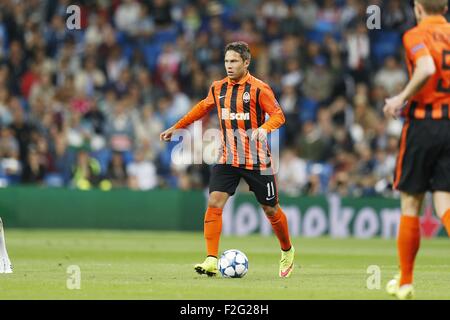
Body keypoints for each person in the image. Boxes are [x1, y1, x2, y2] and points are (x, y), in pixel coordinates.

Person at [160, 41, 295, 278]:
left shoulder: (259, 89)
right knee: (214, 202)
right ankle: (212, 259)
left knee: (271, 209)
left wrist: (264, 128)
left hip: (258, 161)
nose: (229, 66)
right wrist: (176, 127)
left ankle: (287, 250)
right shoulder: (218, 88)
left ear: (246, 62)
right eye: (226, 61)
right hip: (228, 158)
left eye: (234, 61)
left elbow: (279, 115)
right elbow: (202, 108)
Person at [383, 0, 450, 299]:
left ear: (418, 8)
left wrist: (400, 98)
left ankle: (406, 282)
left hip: (424, 124)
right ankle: (404, 281)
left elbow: (426, 67)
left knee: (411, 203)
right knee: (444, 203)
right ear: (445, 10)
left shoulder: (414, 34)